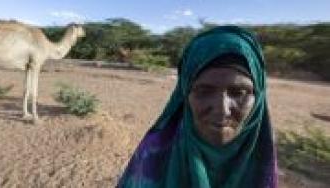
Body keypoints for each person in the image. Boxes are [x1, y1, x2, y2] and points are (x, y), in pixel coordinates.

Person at [117, 26, 277, 188]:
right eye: (203, 91)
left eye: (239, 93)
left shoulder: (262, 160)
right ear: (185, 94)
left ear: (258, 98)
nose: (222, 109)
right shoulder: (152, 156)